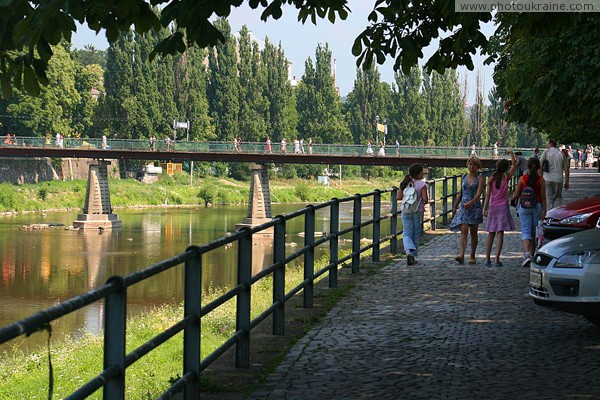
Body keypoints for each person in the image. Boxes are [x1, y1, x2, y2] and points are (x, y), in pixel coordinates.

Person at [510, 157, 547, 268]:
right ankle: (532, 254)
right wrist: (545, 212)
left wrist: (514, 198)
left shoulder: (522, 179)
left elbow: (516, 195)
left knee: (525, 232)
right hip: (537, 207)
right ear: (538, 167)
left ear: (528, 167)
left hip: (524, 208)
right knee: (534, 232)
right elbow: (544, 197)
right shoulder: (541, 180)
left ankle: (527, 256)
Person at [483, 151, 517, 267]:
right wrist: (511, 153)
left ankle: (487, 258)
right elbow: (515, 165)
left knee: (491, 233)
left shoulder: (491, 179)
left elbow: (487, 195)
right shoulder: (506, 178)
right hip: (503, 207)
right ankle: (497, 259)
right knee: (500, 233)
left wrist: (485, 208)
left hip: (493, 207)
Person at [449, 156, 484, 264]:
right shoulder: (464, 176)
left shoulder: (480, 177)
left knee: (473, 232)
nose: (472, 167)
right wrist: (455, 206)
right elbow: (461, 192)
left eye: (474, 165)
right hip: (464, 207)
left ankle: (472, 255)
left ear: (478, 167)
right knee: (464, 230)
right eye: (470, 164)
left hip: (474, 207)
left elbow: (479, 194)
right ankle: (462, 255)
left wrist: (471, 203)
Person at [397, 163, 428, 265]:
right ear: (418, 173)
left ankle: (408, 253)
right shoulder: (422, 185)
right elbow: (425, 199)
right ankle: (413, 255)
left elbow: (398, 197)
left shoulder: (405, 183)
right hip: (417, 211)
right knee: (416, 233)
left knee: (406, 233)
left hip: (406, 211)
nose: (423, 174)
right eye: (422, 172)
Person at [539, 139, 569, 209]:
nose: (546, 146)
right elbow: (566, 168)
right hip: (558, 179)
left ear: (551, 144)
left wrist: (540, 177)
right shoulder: (561, 153)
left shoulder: (546, 152)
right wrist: (567, 181)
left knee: (548, 198)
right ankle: (557, 214)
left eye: (547, 144)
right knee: (558, 198)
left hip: (547, 178)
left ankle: (549, 215)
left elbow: (540, 165)